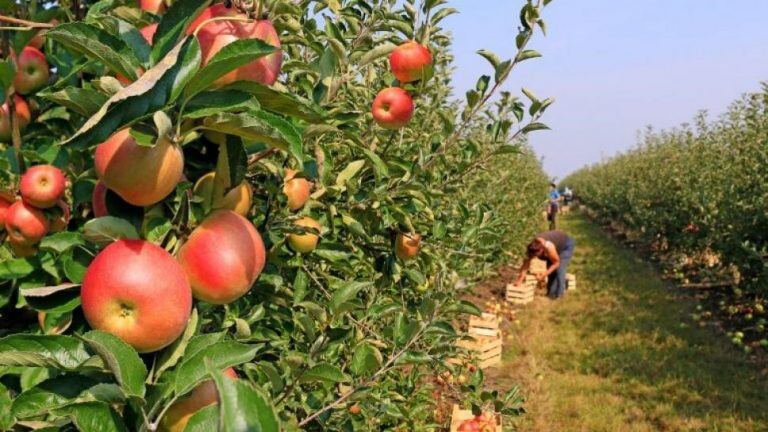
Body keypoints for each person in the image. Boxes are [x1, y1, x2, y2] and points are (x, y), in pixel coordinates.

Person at [514, 230, 576, 299]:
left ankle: (560, 295)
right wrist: (520, 279)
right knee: (550, 270)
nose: (535, 257)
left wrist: (544, 275)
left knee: (560, 269)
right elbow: (525, 265)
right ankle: (551, 293)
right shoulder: (531, 247)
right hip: (555, 247)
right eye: (533, 256)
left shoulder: (548, 247)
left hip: (565, 246)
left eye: (537, 255)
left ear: (541, 250)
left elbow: (556, 263)